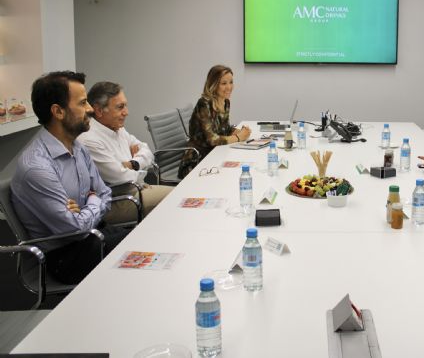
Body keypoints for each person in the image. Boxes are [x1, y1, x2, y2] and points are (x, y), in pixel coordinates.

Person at [11, 71, 133, 284]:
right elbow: (74, 230)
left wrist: (85, 207)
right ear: (58, 111)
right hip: (65, 257)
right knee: (136, 252)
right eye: (83, 103)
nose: (90, 110)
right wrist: (93, 200)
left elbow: (104, 192)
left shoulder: (77, 146)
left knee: (143, 238)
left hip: (92, 234)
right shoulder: (36, 167)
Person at [77, 81, 173, 221]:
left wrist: (132, 163)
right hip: (115, 200)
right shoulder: (89, 139)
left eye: (125, 106)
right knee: (178, 198)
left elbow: (147, 151)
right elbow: (121, 177)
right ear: (98, 110)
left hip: (136, 188)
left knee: (180, 198)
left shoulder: (117, 127)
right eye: (120, 107)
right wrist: (134, 166)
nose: (126, 112)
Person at [179, 65, 251, 178]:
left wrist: (239, 131)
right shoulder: (204, 104)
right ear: (213, 85)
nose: (229, 87)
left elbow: (224, 129)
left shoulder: (225, 102)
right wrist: (238, 138)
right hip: (198, 161)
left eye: (231, 82)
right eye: (224, 83)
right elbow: (212, 139)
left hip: (216, 154)